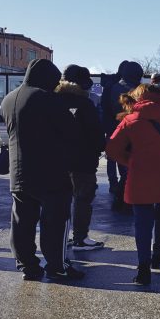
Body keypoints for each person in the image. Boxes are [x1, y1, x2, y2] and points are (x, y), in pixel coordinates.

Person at [1, 59, 84, 281]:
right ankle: (57, 266)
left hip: (18, 171)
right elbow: (71, 132)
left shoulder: (8, 99)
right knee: (55, 221)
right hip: (50, 171)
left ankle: (27, 266)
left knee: (21, 222)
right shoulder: (47, 99)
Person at [106, 84, 160, 285]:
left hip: (140, 176)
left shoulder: (130, 119)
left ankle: (143, 267)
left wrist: (130, 161)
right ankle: (159, 251)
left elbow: (112, 149)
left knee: (142, 222)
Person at [56, 65, 106, 250]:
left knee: (60, 200)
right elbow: (95, 133)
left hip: (57, 161)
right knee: (83, 199)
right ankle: (80, 237)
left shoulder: (52, 101)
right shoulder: (85, 104)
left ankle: (61, 238)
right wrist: (100, 148)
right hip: (83, 161)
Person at [101, 60, 144, 211]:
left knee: (115, 159)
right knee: (126, 164)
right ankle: (122, 192)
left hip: (114, 129)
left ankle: (115, 186)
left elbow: (106, 109)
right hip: (127, 130)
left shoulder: (113, 87)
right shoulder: (131, 90)